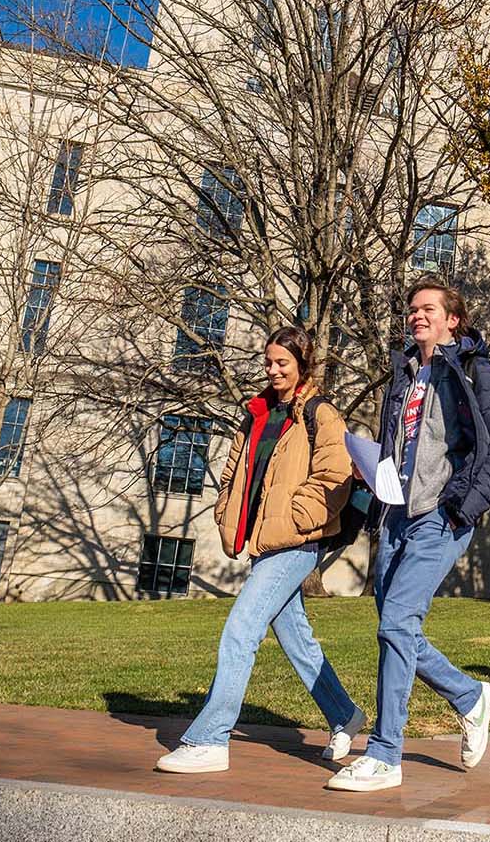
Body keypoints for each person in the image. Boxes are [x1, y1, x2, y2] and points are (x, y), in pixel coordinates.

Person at [326, 281, 490, 792]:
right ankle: (471, 697)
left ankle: (386, 754)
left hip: (441, 514)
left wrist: (465, 509)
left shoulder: (476, 370)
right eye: (412, 309)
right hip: (395, 516)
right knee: (397, 629)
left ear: (452, 319)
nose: (416, 316)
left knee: (396, 624)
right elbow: (399, 444)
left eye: (428, 309)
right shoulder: (406, 371)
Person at [157, 327, 365, 774]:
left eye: (282, 363)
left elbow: (335, 476)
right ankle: (344, 714)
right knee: (297, 638)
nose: (272, 370)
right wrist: (225, 508)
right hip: (262, 541)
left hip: (296, 540)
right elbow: (235, 469)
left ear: (302, 365)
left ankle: (210, 739)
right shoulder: (256, 412)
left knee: (241, 629)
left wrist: (293, 519)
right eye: (268, 362)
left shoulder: (321, 413)